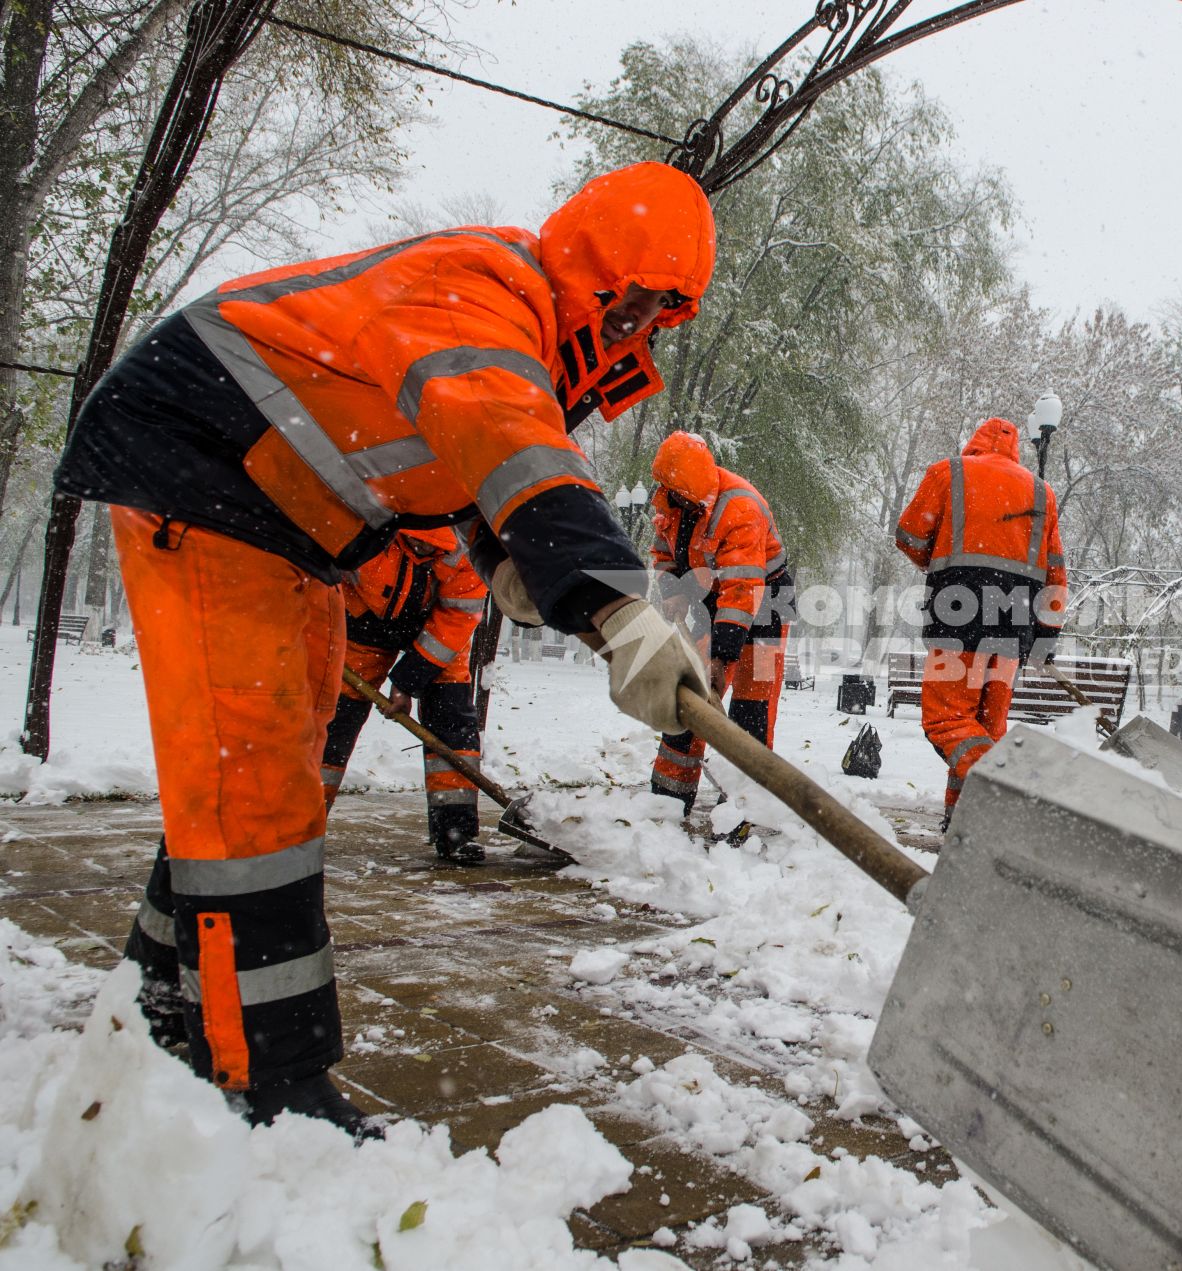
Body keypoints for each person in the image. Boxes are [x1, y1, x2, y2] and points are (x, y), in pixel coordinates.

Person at [53, 161, 713, 1138]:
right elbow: (506, 434)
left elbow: (468, 459)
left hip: (280, 514)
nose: (638, 338)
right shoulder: (488, 287)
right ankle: (268, 1090)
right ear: (593, 274)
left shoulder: (513, 328)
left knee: (253, 773)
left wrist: (507, 556)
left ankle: (160, 996)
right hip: (204, 463)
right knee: (260, 781)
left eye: (657, 324)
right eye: (634, 313)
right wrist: (619, 606)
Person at [894, 416, 1068, 828]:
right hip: (1015, 627)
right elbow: (1056, 575)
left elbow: (909, 536)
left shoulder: (949, 472)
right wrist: (1046, 637)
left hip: (959, 617)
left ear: (975, 443)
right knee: (985, 727)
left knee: (947, 719)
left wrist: (941, 563)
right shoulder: (1042, 493)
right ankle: (966, 822)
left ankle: (1005, 786)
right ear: (1015, 450)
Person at [646, 431, 795, 843]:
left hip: (765, 608)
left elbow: (743, 589)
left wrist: (721, 657)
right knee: (690, 702)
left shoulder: (740, 507)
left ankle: (742, 814)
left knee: (751, 709)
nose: (668, 496)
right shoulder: (671, 504)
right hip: (714, 605)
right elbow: (663, 553)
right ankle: (667, 803)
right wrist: (673, 590)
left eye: (675, 492)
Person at [319, 529, 489, 863]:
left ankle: (456, 833)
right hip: (362, 625)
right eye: (416, 543)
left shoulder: (467, 554)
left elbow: (458, 616)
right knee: (333, 724)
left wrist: (408, 680)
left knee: (453, 724)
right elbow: (322, 573)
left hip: (438, 632)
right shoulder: (366, 532)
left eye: (433, 548)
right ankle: (302, 825)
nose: (424, 549)